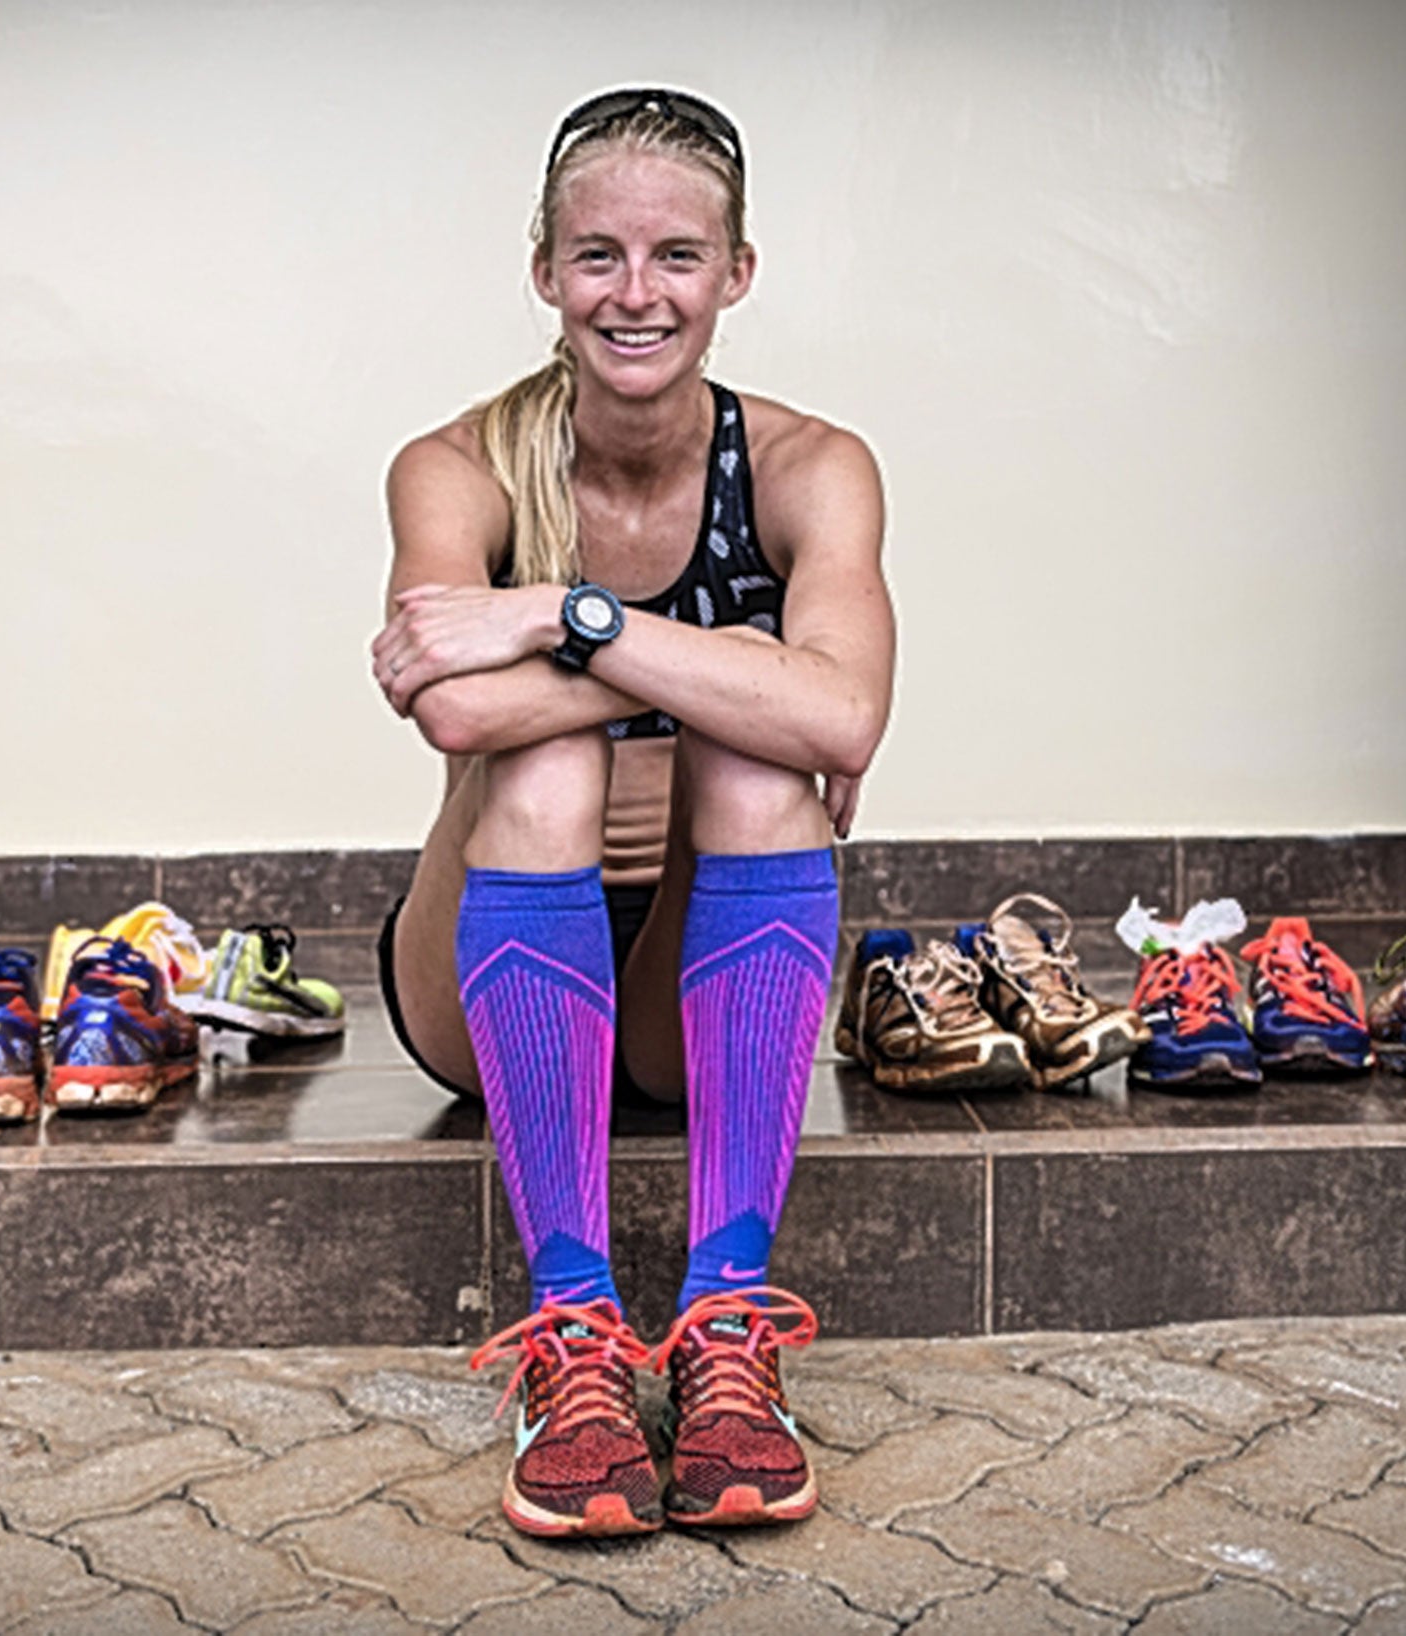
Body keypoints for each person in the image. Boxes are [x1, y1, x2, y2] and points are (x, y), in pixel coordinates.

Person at [370, 87, 895, 1538]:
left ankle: (730, 1332)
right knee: (565, 765)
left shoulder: (807, 468)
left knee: (758, 768)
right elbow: (462, 715)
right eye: (597, 255)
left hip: (689, 953)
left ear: (737, 273)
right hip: (474, 964)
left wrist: (560, 620)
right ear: (544, 271)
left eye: (677, 255)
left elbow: (844, 720)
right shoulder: (458, 465)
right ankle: (575, 1343)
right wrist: (733, 673)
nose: (636, 292)